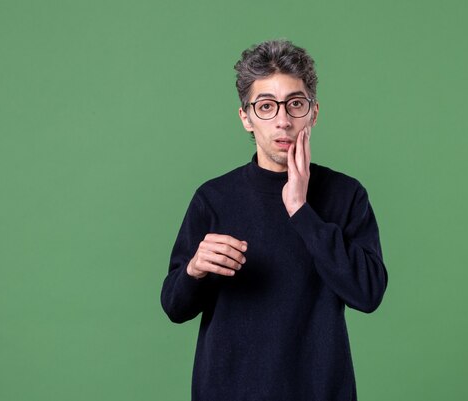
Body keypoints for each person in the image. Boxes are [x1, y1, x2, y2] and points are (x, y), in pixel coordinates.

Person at [160, 39, 387, 401]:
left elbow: (368, 293)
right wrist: (194, 270)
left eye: (295, 104)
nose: (282, 121)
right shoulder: (214, 198)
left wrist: (300, 210)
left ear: (313, 112)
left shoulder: (346, 195)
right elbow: (174, 306)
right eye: (266, 106)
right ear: (246, 118)